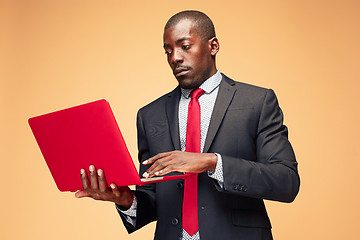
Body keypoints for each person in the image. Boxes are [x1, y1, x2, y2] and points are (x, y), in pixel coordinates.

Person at [75, 10, 300, 240]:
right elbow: (153, 197)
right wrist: (125, 199)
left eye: (185, 46)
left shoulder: (257, 102)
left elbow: (286, 181)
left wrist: (212, 162)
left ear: (213, 46)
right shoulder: (149, 115)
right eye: (168, 51)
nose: (175, 57)